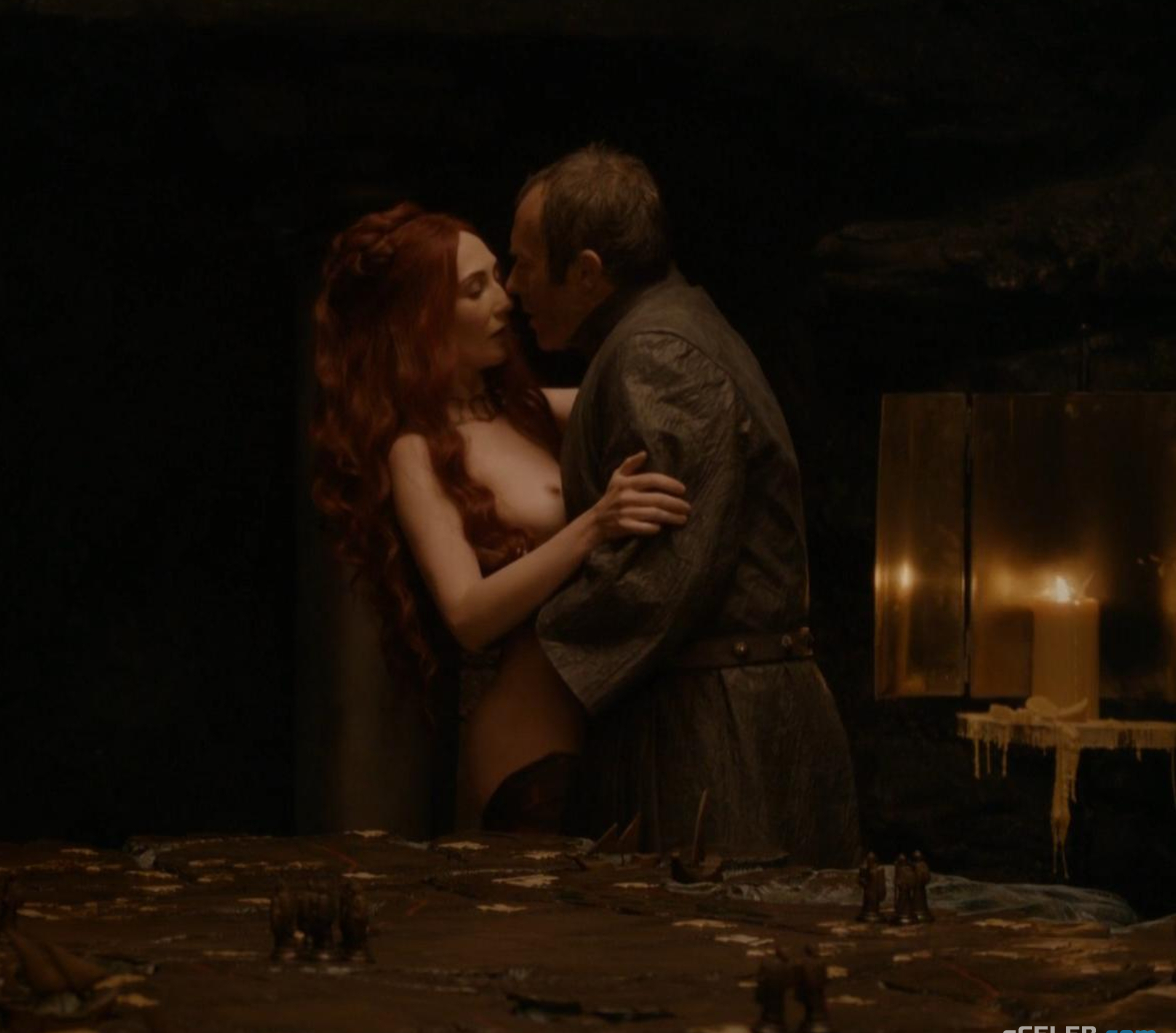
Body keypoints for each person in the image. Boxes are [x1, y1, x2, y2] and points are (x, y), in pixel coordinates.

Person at [508, 144, 862, 868]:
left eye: (524, 264)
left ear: (587, 272)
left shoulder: (658, 354)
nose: (513, 286)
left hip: (718, 743)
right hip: (710, 722)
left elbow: (658, 577)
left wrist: (525, 659)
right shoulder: (661, 331)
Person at [309, 202, 690, 831]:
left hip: (605, 732)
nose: (505, 299)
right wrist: (595, 524)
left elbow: (656, 391)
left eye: (497, 276)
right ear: (421, 318)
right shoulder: (416, 450)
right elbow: (467, 615)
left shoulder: (530, 410)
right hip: (530, 754)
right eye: (474, 288)